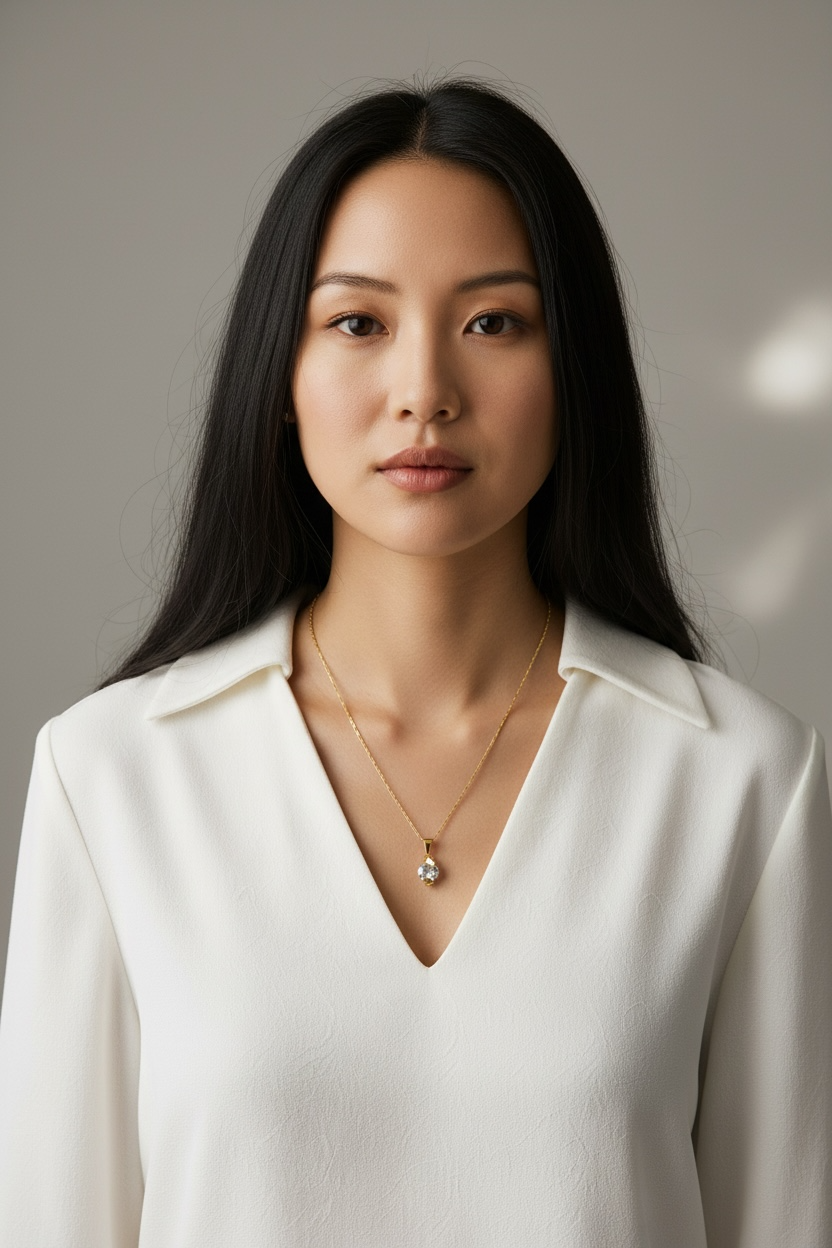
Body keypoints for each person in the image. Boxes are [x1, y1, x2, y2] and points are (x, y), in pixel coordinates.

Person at [0, 73, 829, 1248]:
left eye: (493, 321)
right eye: (357, 323)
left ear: (572, 370)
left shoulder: (741, 781)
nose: (424, 394)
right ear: (279, 379)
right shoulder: (113, 778)